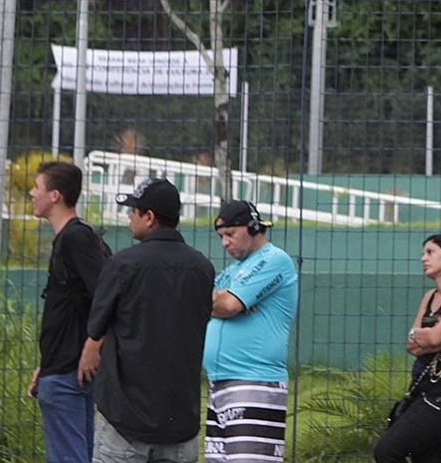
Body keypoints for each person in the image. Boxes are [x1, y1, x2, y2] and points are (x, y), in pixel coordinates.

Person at [81, 177, 215, 463]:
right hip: (180, 423)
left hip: (125, 422)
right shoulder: (202, 268)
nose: (130, 216)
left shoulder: (124, 264)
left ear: (150, 217)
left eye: (134, 210)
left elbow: (96, 325)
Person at [28, 160, 112, 463]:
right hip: (62, 367)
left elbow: (106, 293)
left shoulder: (75, 238)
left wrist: (93, 343)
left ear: (55, 195)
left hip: (68, 373)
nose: (31, 193)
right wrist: (47, 363)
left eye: (37, 187)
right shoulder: (70, 238)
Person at [203, 201, 299, 463]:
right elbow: (200, 302)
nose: (225, 243)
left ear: (253, 227)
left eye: (230, 234)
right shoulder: (232, 272)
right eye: (221, 236)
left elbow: (227, 304)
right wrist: (218, 302)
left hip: (254, 382)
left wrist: (224, 302)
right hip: (220, 383)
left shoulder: (273, 259)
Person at [372, 234, 441, 463]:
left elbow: (436, 337)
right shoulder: (430, 296)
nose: (424, 258)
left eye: (430, 252)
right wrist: (425, 337)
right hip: (421, 394)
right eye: (423, 253)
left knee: (386, 452)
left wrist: (428, 337)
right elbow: (412, 344)